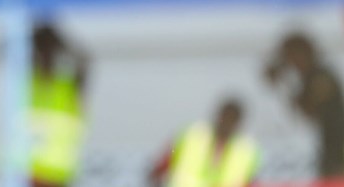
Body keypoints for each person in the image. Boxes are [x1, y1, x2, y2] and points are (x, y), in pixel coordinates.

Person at [264, 31, 344, 181]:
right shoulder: (311, 77)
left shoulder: (321, 77)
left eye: (289, 56)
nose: (290, 62)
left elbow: (309, 109)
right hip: (331, 153)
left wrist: (285, 80)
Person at [27, 20, 89, 187]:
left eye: (50, 50)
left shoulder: (67, 86)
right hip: (28, 174)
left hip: (58, 176)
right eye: (42, 50)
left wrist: (61, 43)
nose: (46, 55)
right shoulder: (25, 85)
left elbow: (84, 61)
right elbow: (1, 50)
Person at [147, 98, 259, 187]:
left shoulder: (246, 151)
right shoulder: (190, 137)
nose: (227, 123)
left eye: (232, 119)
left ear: (239, 123)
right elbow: (156, 173)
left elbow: (249, 182)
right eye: (225, 117)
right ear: (218, 116)